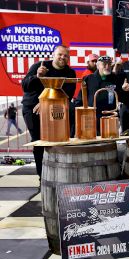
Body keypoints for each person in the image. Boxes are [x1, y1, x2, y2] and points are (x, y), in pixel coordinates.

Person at [21, 45, 76, 177]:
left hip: (54, 109)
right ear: (53, 55)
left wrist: (46, 103)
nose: (63, 57)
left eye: (65, 55)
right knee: (39, 141)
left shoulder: (70, 73)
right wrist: (37, 76)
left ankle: (58, 174)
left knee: (58, 140)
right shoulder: (39, 66)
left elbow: (67, 95)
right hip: (32, 109)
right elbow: (25, 86)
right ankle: (43, 177)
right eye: (60, 54)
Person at [74, 55, 120, 134]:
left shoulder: (116, 78)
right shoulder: (88, 78)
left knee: (109, 140)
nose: (107, 66)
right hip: (91, 117)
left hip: (109, 116)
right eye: (104, 64)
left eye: (109, 64)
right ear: (98, 65)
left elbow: (120, 96)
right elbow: (81, 98)